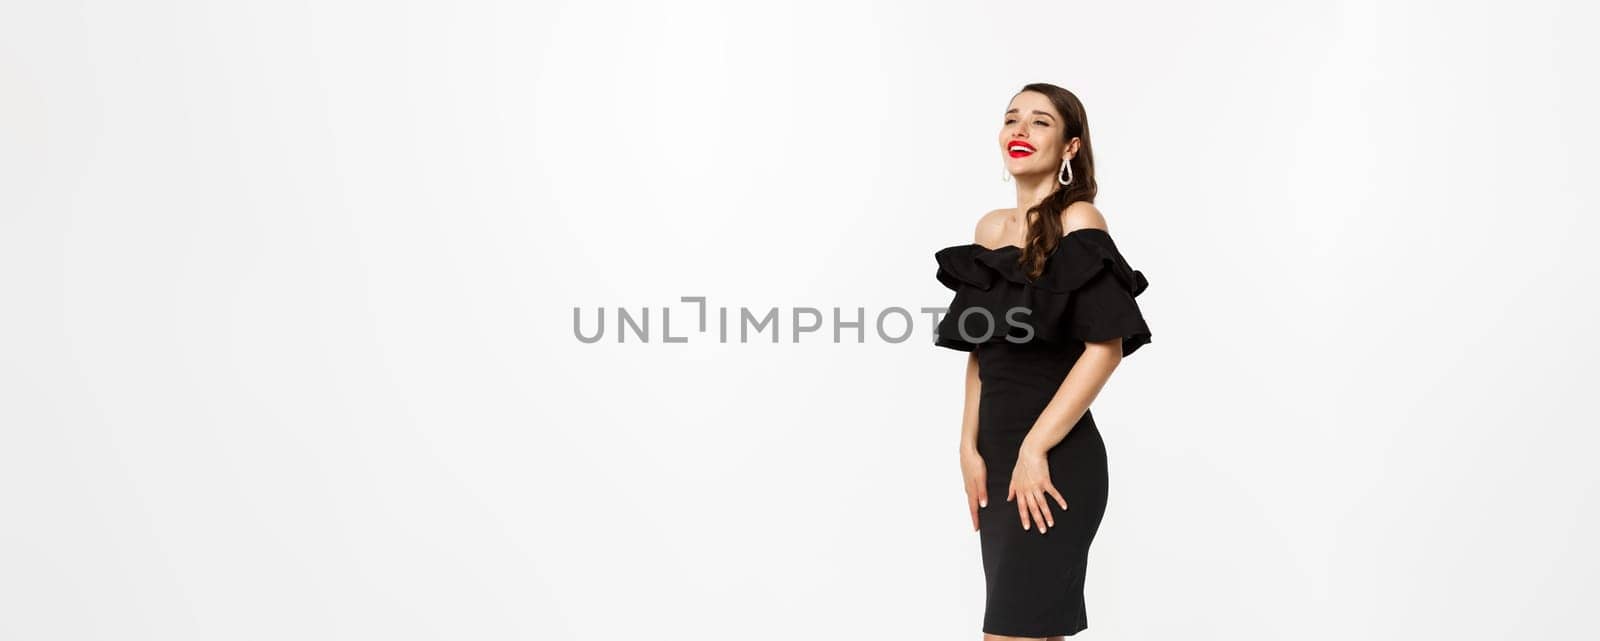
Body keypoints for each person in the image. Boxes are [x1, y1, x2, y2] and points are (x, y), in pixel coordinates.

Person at [933, 83, 1153, 639]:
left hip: (1055, 460)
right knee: (1033, 631)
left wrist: (1035, 447)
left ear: (1071, 147)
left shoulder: (1080, 221)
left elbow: (1105, 349)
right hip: (999, 457)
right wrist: (967, 446)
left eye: (1040, 122)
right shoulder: (988, 231)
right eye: (1011, 119)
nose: (1020, 131)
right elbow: (982, 353)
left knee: (1009, 632)